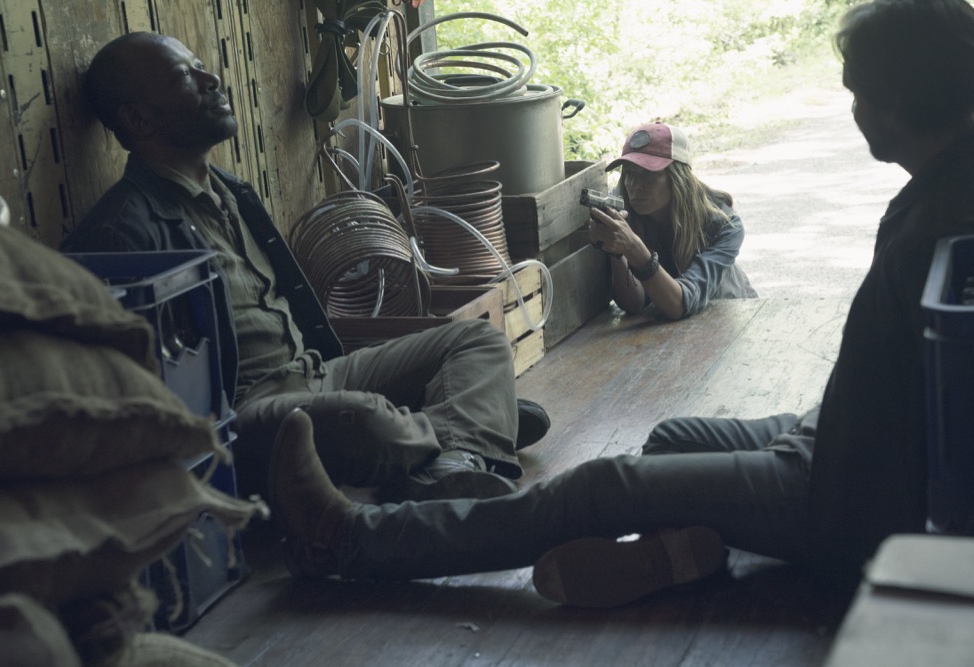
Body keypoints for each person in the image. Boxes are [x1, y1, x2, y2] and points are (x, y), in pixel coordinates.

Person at [259, 0, 974, 607]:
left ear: (900, 97)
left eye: (858, 94)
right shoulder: (945, 182)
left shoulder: (950, 211)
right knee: (670, 441)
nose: (852, 112)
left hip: (845, 490)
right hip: (833, 434)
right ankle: (679, 557)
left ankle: (349, 538)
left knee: (603, 485)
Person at [60, 31, 550, 504]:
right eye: (183, 77)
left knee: (478, 339)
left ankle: (452, 446)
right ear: (140, 120)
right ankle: (469, 427)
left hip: (319, 375)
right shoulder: (120, 234)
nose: (211, 80)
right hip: (246, 417)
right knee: (361, 418)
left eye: (201, 67)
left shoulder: (230, 192)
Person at [588, 122, 757, 320]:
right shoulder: (623, 208)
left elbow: (681, 303)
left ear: (678, 178)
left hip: (730, 319)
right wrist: (617, 252)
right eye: (630, 174)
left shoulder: (724, 225)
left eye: (648, 175)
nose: (636, 186)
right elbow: (634, 304)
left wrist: (634, 248)